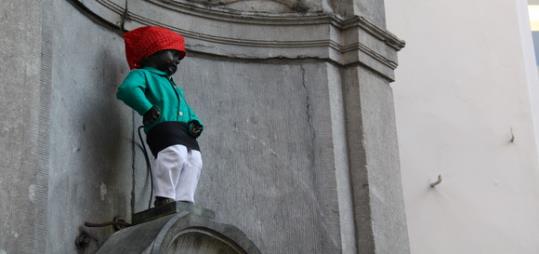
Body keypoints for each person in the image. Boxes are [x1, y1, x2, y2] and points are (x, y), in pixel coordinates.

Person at [116, 26, 203, 207]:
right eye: (173, 54)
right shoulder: (143, 74)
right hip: (163, 128)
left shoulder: (172, 84)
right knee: (174, 154)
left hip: (184, 131)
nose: (177, 60)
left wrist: (195, 121)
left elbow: (185, 107)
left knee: (194, 160)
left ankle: (185, 199)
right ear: (154, 52)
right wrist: (146, 108)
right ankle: (164, 196)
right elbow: (128, 89)